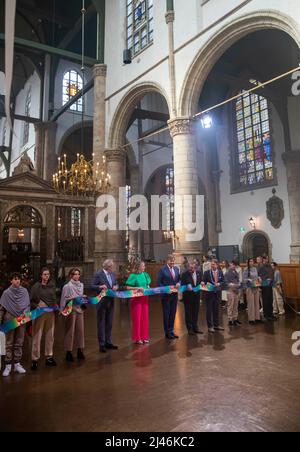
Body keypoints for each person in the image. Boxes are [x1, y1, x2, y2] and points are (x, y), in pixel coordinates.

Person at [0, 273, 30, 377]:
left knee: (19, 342)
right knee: (9, 343)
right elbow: (2, 308)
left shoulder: (24, 291)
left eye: (18, 279)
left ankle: (17, 364)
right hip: (9, 318)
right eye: (15, 279)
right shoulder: (6, 293)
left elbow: (27, 305)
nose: (17, 281)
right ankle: (8, 366)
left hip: (21, 318)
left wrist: (26, 312)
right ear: (11, 281)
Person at [30, 268, 57, 370]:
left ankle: (49, 356)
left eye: (48, 274)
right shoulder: (36, 286)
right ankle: (34, 359)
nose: (47, 276)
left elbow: (54, 298)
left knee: (50, 335)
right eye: (45, 274)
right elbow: (31, 300)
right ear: (41, 275)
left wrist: (55, 306)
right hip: (39, 312)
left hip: (50, 312)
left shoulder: (52, 285)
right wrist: (36, 306)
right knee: (37, 335)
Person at [92, 260, 119, 353]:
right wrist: (100, 287)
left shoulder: (112, 274)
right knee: (101, 323)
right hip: (101, 302)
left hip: (111, 301)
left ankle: (108, 342)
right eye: (112, 266)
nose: (113, 268)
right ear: (108, 266)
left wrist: (116, 286)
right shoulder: (98, 274)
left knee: (109, 323)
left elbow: (115, 283)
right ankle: (102, 344)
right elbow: (92, 286)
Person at [60, 268, 86, 362]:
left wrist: (83, 298)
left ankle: (80, 350)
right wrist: (63, 311)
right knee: (70, 331)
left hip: (79, 309)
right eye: (75, 274)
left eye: (78, 274)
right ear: (71, 275)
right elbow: (64, 299)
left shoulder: (81, 285)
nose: (77, 276)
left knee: (80, 330)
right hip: (70, 310)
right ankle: (68, 352)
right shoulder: (67, 286)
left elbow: (81, 297)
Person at [126, 261, 151, 345]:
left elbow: (147, 285)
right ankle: (137, 338)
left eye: (144, 266)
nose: (144, 267)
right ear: (138, 267)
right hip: (136, 299)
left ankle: (144, 337)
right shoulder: (133, 275)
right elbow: (128, 287)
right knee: (137, 318)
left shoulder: (145, 274)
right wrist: (138, 288)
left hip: (145, 298)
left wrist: (148, 286)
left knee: (145, 317)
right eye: (143, 266)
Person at [157, 255, 181, 340]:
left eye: (173, 261)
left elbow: (179, 279)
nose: (172, 263)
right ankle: (167, 332)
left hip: (174, 295)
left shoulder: (176, 269)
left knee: (173, 313)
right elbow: (159, 283)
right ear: (167, 261)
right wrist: (167, 289)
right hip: (166, 296)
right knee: (166, 314)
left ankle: (171, 331)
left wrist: (179, 283)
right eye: (171, 261)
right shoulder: (162, 270)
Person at [181, 261, 203, 336]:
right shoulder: (184, 274)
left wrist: (202, 283)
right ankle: (189, 329)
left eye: (194, 267)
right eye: (191, 267)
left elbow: (200, 283)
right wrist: (187, 286)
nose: (192, 269)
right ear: (188, 267)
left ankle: (195, 328)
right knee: (188, 313)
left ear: (196, 267)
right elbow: (181, 285)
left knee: (196, 312)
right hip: (188, 296)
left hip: (196, 296)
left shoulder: (199, 273)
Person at [203, 260, 225, 333]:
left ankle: (216, 325)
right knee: (209, 311)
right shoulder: (206, 273)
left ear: (217, 265)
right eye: (211, 264)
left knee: (216, 310)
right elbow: (204, 282)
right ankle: (210, 326)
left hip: (217, 293)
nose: (212, 266)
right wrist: (205, 283)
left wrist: (219, 284)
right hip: (209, 294)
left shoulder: (220, 272)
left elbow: (223, 281)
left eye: (214, 264)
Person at [243, 259, 262, 325]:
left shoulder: (255, 268)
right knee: (251, 303)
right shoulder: (246, 269)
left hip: (256, 286)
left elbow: (257, 276)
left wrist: (259, 278)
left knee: (256, 303)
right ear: (248, 262)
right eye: (250, 261)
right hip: (249, 287)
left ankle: (257, 318)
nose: (251, 262)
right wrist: (248, 280)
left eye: (252, 261)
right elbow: (244, 279)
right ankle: (251, 319)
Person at [258, 256, 276, 321]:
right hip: (264, 286)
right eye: (265, 259)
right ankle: (266, 315)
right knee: (265, 301)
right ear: (263, 260)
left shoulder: (269, 266)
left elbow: (272, 275)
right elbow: (259, 277)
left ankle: (271, 314)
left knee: (270, 300)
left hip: (270, 285)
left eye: (267, 259)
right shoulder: (261, 267)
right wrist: (261, 285)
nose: (266, 260)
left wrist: (272, 282)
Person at [225, 261, 242, 327]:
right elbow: (226, 282)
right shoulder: (227, 272)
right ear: (230, 265)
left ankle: (235, 318)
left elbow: (237, 279)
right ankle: (230, 319)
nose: (234, 266)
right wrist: (232, 285)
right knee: (230, 305)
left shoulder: (235, 271)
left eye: (235, 265)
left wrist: (238, 284)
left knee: (235, 305)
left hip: (236, 290)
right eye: (232, 265)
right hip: (230, 290)